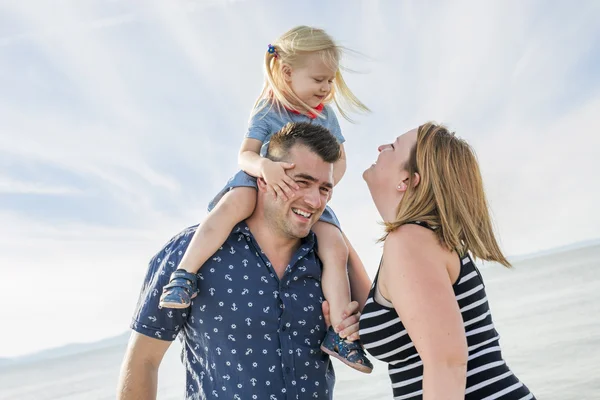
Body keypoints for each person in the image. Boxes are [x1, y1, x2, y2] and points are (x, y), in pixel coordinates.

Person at [158, 25, 372, 372]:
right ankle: (185, 273)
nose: (326, 88)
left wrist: (320, 188)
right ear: (287, 72)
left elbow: (340, 160)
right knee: (233, 206)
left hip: (304, 193)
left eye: (331, 80)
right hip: (262, 181)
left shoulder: (326, 115)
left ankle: (339, 335)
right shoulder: (269, 108)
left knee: (335, 247)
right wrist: (264, 169)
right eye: (319, 79)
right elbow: (245, 154)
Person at [117, 122, 371, 400]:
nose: (313, 200)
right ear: (263, 178)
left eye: (325, 189)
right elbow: (144, 360)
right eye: (301, 182)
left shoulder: (329, 261)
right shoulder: (189, 253)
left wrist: (353, 325)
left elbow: (386, 329)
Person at [359, 123, 536, 399]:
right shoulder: (416, 241)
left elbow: (447, 364)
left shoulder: (410, 242)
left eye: (393, 146)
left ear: (407, 180)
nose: (381, 148)